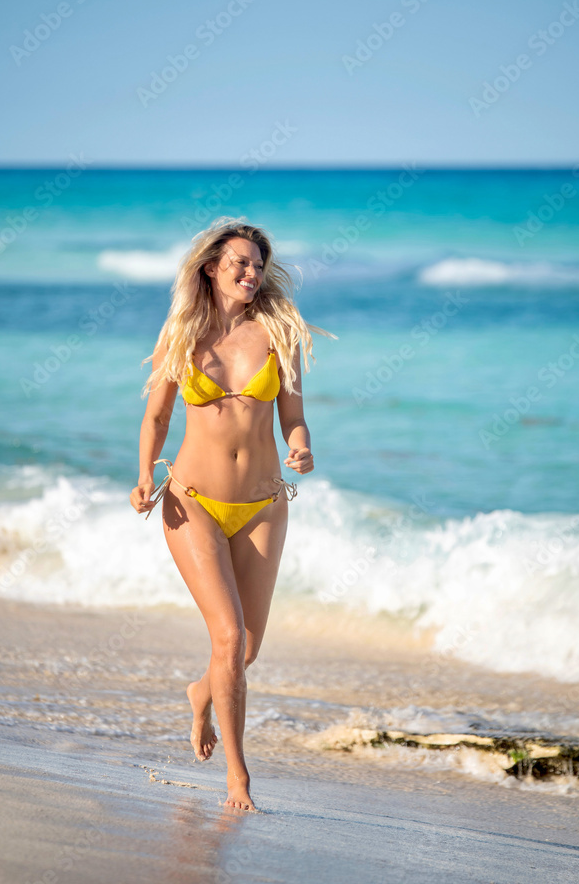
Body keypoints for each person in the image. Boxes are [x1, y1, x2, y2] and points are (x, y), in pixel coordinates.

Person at [130, 217, 330, 812]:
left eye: (258, 264)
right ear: (211, 268)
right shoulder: (183, 333)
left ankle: (201, 693)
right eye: (239, 262)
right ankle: (238, 776)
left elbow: (292, 412)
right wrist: (144, 474)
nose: (251, 272)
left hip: (265, 505)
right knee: (226, 634)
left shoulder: (278, 333)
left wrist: (301, 445)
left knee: (245, 648)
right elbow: (157, 416)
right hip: (191, 500)